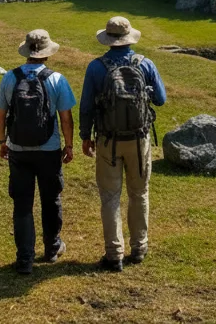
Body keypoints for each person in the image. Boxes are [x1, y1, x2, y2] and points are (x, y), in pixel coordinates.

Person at [80, 16, 167, 272]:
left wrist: (86, 136)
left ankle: (114, 253)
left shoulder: (96, 68)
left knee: (110, 196)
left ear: (107, 39)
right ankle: (139, 248)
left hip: (108, 140)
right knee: (139, 193)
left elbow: (86, 107)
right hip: (139, 140)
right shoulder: (145, 64)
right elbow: (161, 99)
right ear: (129, 37)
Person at [0, 29, 77, 275]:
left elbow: (0, 114)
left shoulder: (11, 77)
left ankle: (24, 259)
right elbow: (66, 118)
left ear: (27, 52)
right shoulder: (56, 79)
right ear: (47, 53)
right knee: (51, 199)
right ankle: (52, 248)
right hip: (49, 150)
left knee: (22, 205)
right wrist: (69, 145)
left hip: (18, 149)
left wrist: (2, 141)